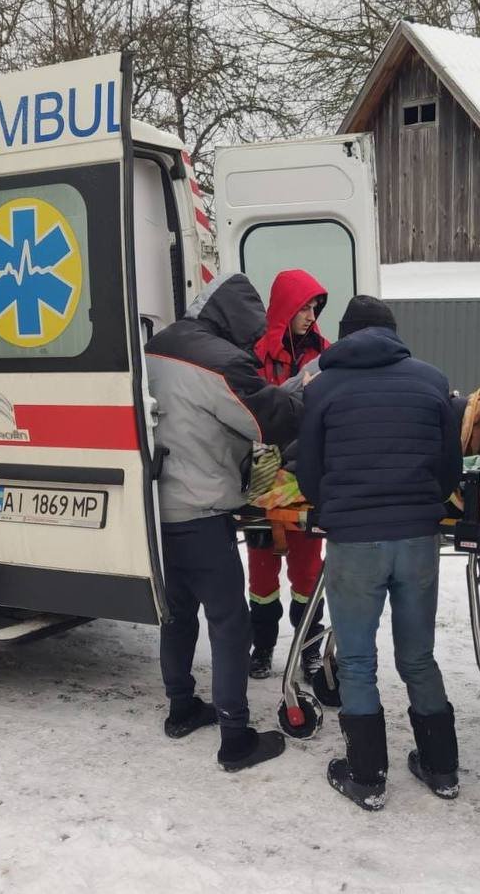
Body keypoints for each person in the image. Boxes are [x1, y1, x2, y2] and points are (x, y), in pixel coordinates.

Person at [296, 296, 463, 811]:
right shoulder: (433, 381)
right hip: (417, 539)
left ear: (345, 335)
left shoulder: (323, 387)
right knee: (417, 655)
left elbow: (308, 470)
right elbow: (450, 467)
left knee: (358, 660)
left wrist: (336, 505)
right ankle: (441, 768)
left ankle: (366, 777)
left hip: (354, 541)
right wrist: (421, 505)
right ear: (392, 332)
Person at [145, 273, 303, 771]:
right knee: (230, 624)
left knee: (176, 614)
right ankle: (236, 738)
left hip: (153, 511)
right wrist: (304, 389)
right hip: (201, 513)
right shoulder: (223, 362)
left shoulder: (157, 345)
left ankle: (181, 708)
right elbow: (267, 421)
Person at [247, 269, 330, 679]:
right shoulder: (255, 353)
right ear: (285, 306)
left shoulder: (327, 354)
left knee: (308, 572)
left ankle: (309, 649)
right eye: (304, 306)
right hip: (263, 479)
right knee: (261, 576)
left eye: (316, 306)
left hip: (305, 477)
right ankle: (262, 647)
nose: (311, 314)